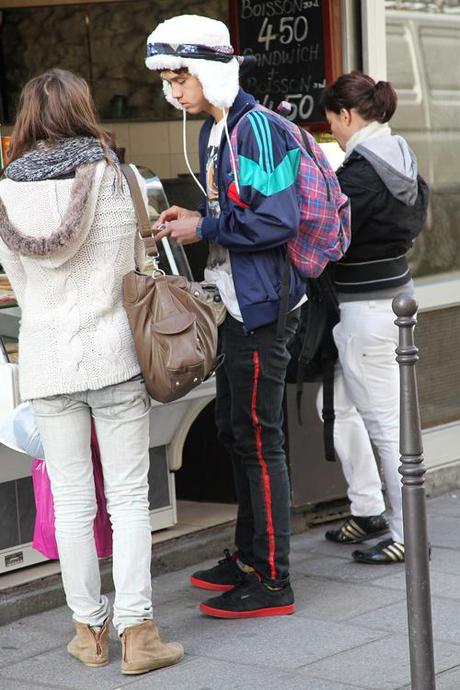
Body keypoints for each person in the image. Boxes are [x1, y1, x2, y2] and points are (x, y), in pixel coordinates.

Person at [0, 69, 183, 673]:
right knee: (130, 497)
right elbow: (138, 262)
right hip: (113, 356)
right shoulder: (118, 178)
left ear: (28, 117)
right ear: (83, 108)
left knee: (73, 501)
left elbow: (21, 288)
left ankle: (88, 632)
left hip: (49, 361)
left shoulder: (6, 191)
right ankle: (139, 634)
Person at [145, 15, 306, 618]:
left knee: (259, 440)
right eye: (165, 79)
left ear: (210, 70)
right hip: (242, 302)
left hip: (264, 307)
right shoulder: (221, 127)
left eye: (179, 76)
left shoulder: (256, 128)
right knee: (237, 433)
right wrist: (197, 220)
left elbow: (277, 219)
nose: (172, 91)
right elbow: (245, 211)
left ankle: (272, 579)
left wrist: (203, 225)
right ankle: (248, 556)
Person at [317, 71, 428, 563]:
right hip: (389, 300)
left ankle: (408, 533)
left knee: (386, 424)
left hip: (366, 311)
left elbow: (329, 242)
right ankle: (367, 508)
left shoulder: (359, 175)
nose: (333, 133)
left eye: (333, 123)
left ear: (346, 115)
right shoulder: (399, 156)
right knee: (337, 408)